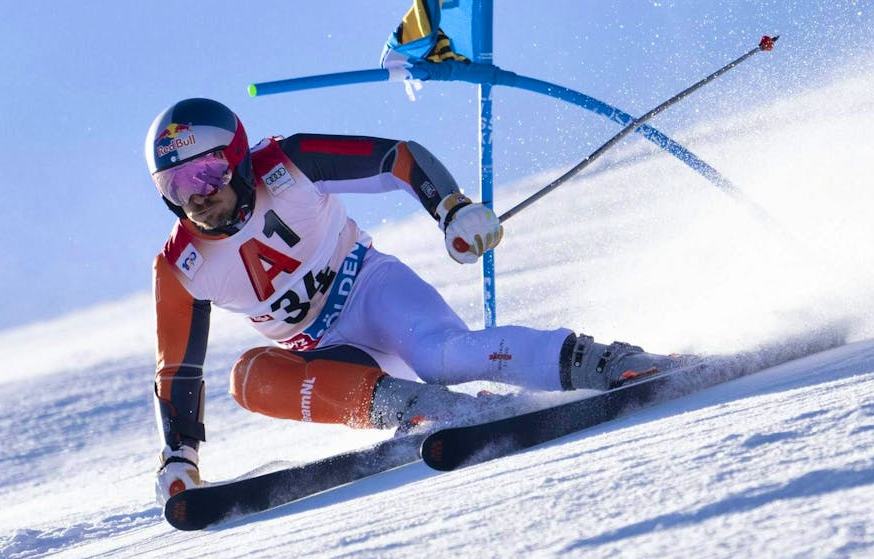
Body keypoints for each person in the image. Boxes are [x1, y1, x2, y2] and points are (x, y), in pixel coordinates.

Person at [146, 98, 677, 501]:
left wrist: (451, 209)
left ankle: (606, 361)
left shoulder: (289, 164)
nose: (197, 197)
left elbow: (396, 158)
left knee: (442, 357)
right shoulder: (179, 265)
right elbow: (178, 370)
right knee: (248, 378)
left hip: (373, 292)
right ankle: (427, 411)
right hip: (334, 359)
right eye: (176, 185)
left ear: (238, 160)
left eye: (206, 172)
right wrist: (179, 456)